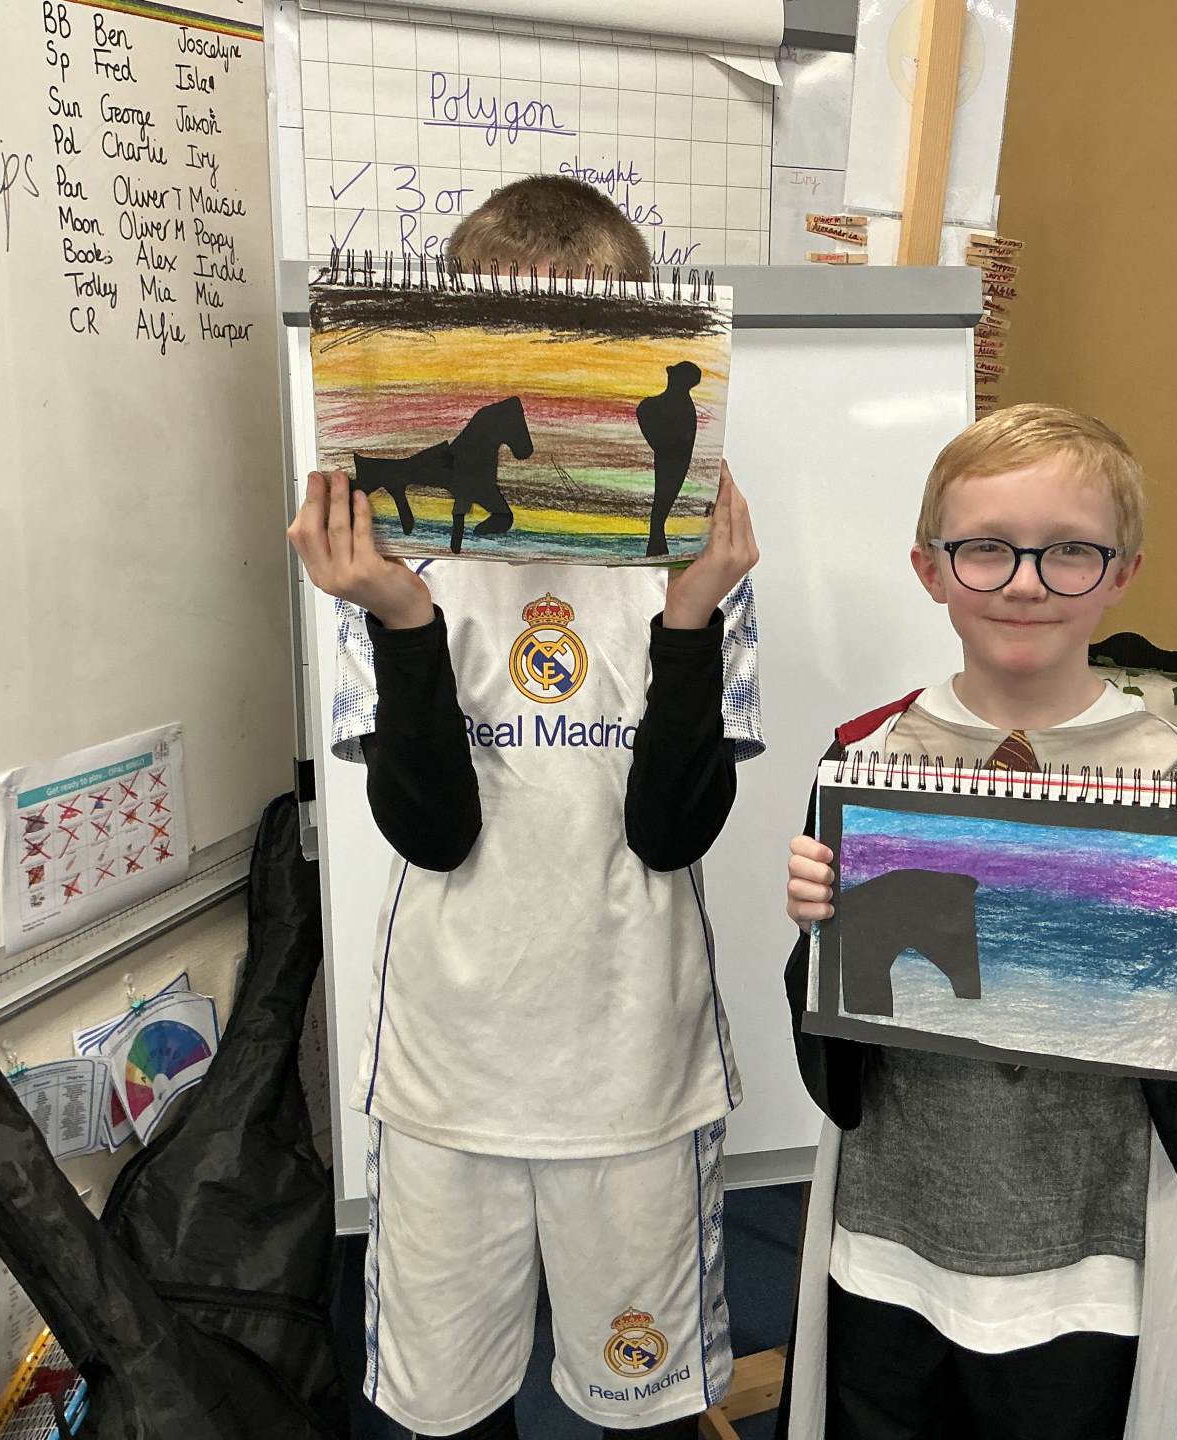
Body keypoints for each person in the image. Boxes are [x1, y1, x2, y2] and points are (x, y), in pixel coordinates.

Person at [287, 175, 762, 1440]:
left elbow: (672, 832)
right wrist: (401, 620)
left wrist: (690, 619)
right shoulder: (398, 555)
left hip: (636, 1065)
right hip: (451, 1070)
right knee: (446, 1411)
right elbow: (433, 833)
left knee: (642, 1407)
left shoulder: (689, 554)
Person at [778, 404, 1177, 1440]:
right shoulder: (866, 759)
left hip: (1086, 1250)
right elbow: (834, 1029)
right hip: (893, 1225)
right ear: (930, 569)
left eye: (1070, 552)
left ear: (1123, 574)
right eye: (986, 549)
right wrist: (816, 928)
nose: (1026, 583)